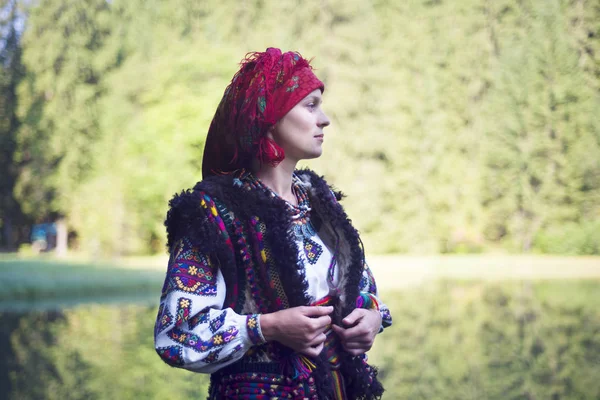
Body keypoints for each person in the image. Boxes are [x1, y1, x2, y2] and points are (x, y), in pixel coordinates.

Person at [154, 48, 392, 400]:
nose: (324, 119)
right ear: (270, 117)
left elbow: (364, 292)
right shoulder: (213, 213)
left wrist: (371, 317)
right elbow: (176, 335)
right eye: (310, 106)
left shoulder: (320, 201)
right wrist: (265, 327)